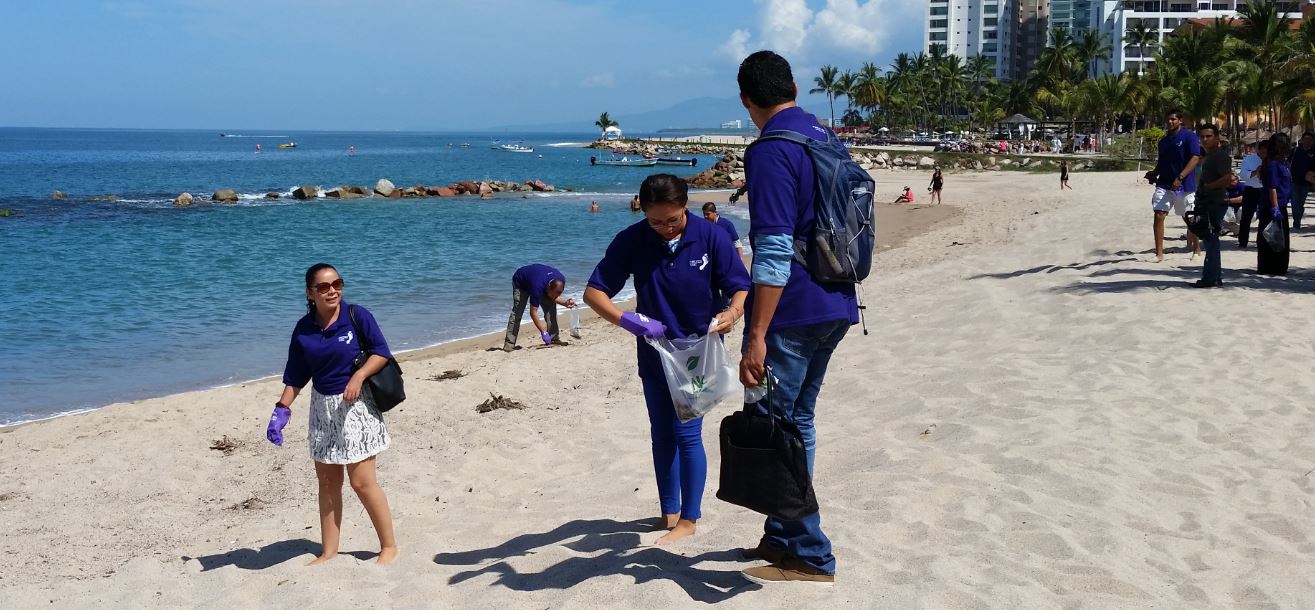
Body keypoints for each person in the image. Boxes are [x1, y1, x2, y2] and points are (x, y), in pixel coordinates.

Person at [734, 49, 859, 586]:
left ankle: (810, 551)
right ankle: (782, 535)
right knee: (796, 421)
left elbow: (774, 248)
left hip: (794, 309)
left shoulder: (770, 150)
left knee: (775, 425)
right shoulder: (826, 138)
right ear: (795, 88)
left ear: (746, 101)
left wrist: (756, 333)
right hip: (839, 298)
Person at [583, 174, 750, 546]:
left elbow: (739, 283)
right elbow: (594, 292)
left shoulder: (711, 237)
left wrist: (734, 311)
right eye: (655, 221)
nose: (664, 228)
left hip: (698, 352)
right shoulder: (632, 239)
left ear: (685, 207)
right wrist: (626, 319)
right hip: (654, 353)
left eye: (672, 220)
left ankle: (689, 520)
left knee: (687, 433)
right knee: (662, 434)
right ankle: (669, 512)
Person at [266, 263, 398, 566]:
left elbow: (381, 352)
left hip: (357, 406)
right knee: (327, 483)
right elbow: (296, 375)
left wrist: (358, 376)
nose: (332, 291)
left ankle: (389, 546)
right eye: (324, 287)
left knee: (362, 482)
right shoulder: (304, 328)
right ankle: (329, 551)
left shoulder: (356, 316)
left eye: (337, 284)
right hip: (321, 409)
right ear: (310, 293)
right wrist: (281, 409)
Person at [1146, 109, 1202, 263]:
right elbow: (1162, 162)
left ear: (1180, 120)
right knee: (1159, 214)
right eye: (1168, 119)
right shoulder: (1163, 141)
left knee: (1190, 218)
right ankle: (1159, 254)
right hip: (1164, 183)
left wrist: (1181, 177)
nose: (1170, 122)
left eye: (1173, 119)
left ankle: (1196, 249)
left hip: (1184, 185)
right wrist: (1154, 173)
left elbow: (1195, 158)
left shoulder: (1189, 137)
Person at [1189, 124, 1235, 288]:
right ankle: (1214, 276)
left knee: (1211, 239)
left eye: (1208, 136)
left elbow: (1228, 178)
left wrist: (1208, 187)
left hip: (1215, 201)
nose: (1205, 139)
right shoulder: (1209, 156)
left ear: (1217, 138)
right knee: (1210, 239)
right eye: (1202, 137)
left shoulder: (1220, 156)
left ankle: (1211, 278)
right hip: (1207, 201)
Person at [503, 264, 576, 351]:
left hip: (537, 279)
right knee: (517, 313)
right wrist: (543, 332)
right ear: (548, 287)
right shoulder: (537, 287)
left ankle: (554, 339)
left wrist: (565, 303)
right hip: (521, 283)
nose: (554, 297)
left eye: (556, 295)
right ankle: (509, 344)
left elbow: (554, 297)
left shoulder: (560, 280)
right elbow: (533, 313)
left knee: (551, 309)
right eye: (552, 294)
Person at [1258, 136, 1293, 275]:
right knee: (1271, 237)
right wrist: (1275, 208)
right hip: (1273, 206)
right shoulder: (1272, 164)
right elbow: (1272, 188)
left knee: (1280, 238)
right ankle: (1271, 267)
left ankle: (1279, 267)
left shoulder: (1282, 163)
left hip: (1281, 205)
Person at [1237, 142, 1266, 248]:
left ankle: (1261, 241)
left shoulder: (1271, 160)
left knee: (1264, 217)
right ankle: (1243, 241)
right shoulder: (1248, 159)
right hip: (1251, 190)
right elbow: (1243, 175)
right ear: (1257, 149)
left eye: (1265, 149)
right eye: (1261, 149)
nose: (1263, 151)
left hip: (1265, 191)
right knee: (1246, 217)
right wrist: (1255, 172)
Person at [1291, 132, 1314, 229]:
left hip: (1306, 183)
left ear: (1312, 141)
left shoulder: (1313, 152)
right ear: (1302, 140)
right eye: (1305, 139)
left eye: (1309, 139)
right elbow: (1288, 162)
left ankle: (1298, 218)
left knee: (1300, 203)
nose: (1307, 141)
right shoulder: (1295, 150)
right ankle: (1297, 222)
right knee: (1295, 203)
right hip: (1294, 181)